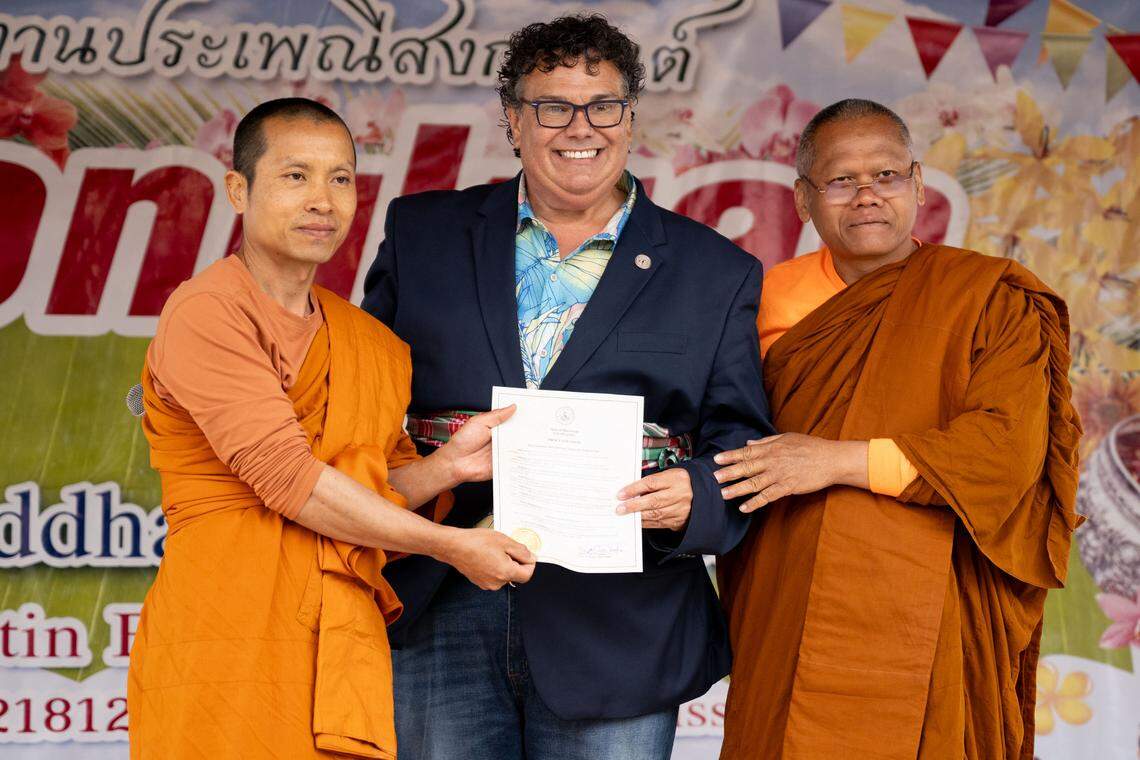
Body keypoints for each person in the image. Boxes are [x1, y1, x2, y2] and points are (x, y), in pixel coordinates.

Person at [361, 14, 773, 760]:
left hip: (618, 626)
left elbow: (742, 443)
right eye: (552, 106)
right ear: (514, 121)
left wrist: (697, 500)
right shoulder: (423, 235)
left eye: (603, 105)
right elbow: (359, 407)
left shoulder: (714, 272)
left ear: (630, 118)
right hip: (440, 599)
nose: (578, 127)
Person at [127, 97, 535, 760]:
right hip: (225, 633)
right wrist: (450, 545)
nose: (322, 199)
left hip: (339, 640)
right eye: (295, 176)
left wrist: (448, 469)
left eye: (340, 178)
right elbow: (294, 484)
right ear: (239, 188)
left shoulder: (368, 343)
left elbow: (364, 492)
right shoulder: (207, 313)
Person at [714, 98, 1083, 760]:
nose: (866, 197)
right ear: (802, 198)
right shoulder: (757, 302)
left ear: (917, 185)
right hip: (789, 597)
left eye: (885, 176)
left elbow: (1004, 456)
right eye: (841, 180)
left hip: (930, 600)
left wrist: (834, 461)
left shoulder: (988, 300)